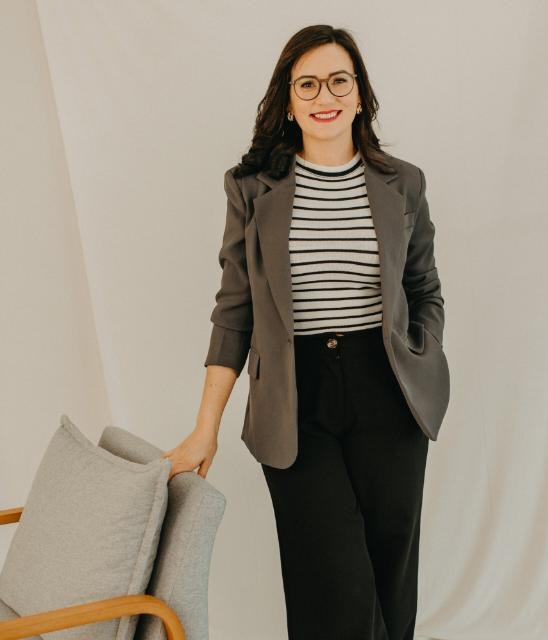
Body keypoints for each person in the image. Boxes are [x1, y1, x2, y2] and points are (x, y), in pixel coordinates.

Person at [162, 24, 450, 640]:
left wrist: (421, 354)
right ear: (289, 101)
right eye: (308, 84)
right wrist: (205, 428)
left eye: (339, 80)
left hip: (389, 390)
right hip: (295, 399)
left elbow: (424, 286)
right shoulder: (251, 188)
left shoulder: (404, 183)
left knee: (389, 574)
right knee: (333, 581)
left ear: (360, 93)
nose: (326, 96)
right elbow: (234, 310)